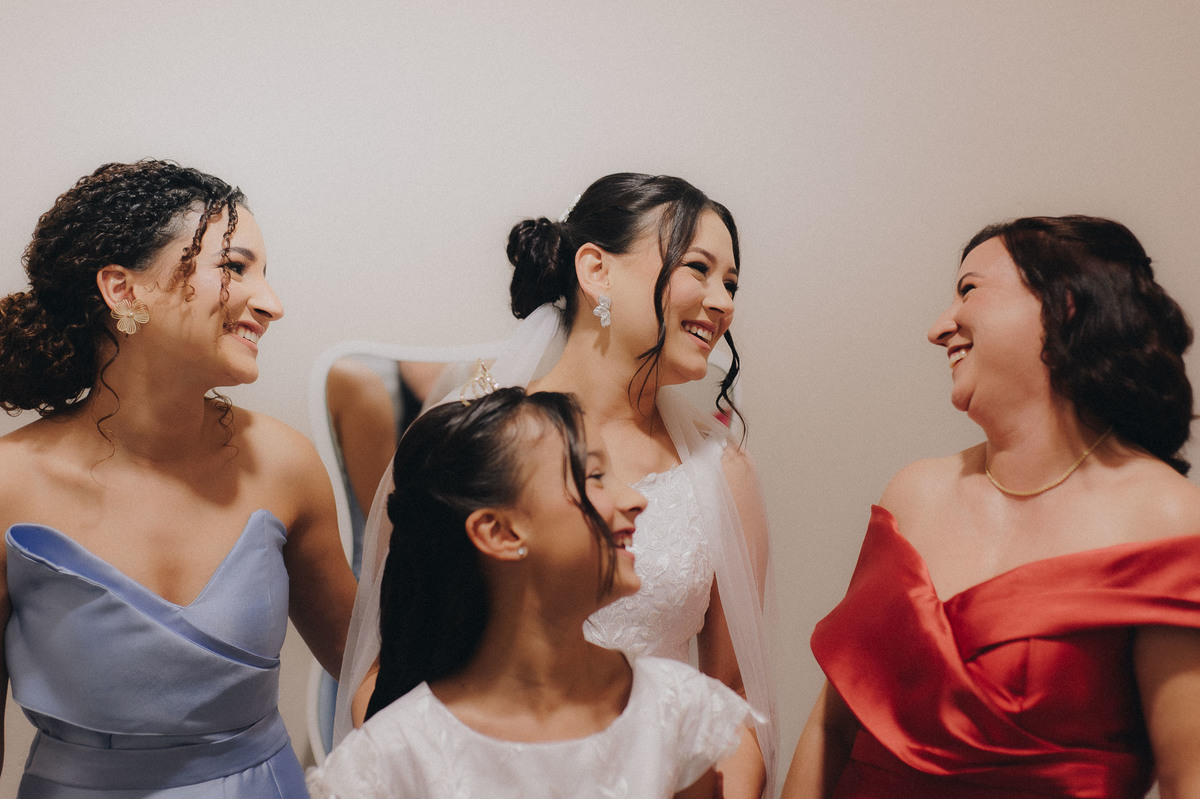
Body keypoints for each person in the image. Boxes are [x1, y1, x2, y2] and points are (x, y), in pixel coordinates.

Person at [335, 173, 777, 796]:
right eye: (698, 268)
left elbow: (731, 697)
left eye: (731, 283)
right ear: (595, 269)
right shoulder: (471, 442)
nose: (722, 301)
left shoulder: (722, 472)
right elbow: (391, 668)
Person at [782, 216, 1200, 798]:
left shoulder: (1165, 516)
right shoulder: (914, 492)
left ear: (1065, 304)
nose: (937, 328)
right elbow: (832, 727)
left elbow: (1188, 779)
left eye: (969, 290)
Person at [0, 160, 357, 796]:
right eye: (235, 267)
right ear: (123, 290)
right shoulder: (10, 485)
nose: (272, 304)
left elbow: (368, 673)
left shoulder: (285, 465)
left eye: (265, 274)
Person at [308, 386, 760, 798]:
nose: (636, 500)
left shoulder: (677, 713)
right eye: (595, 476)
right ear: (501, 532)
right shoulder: (389, 762)